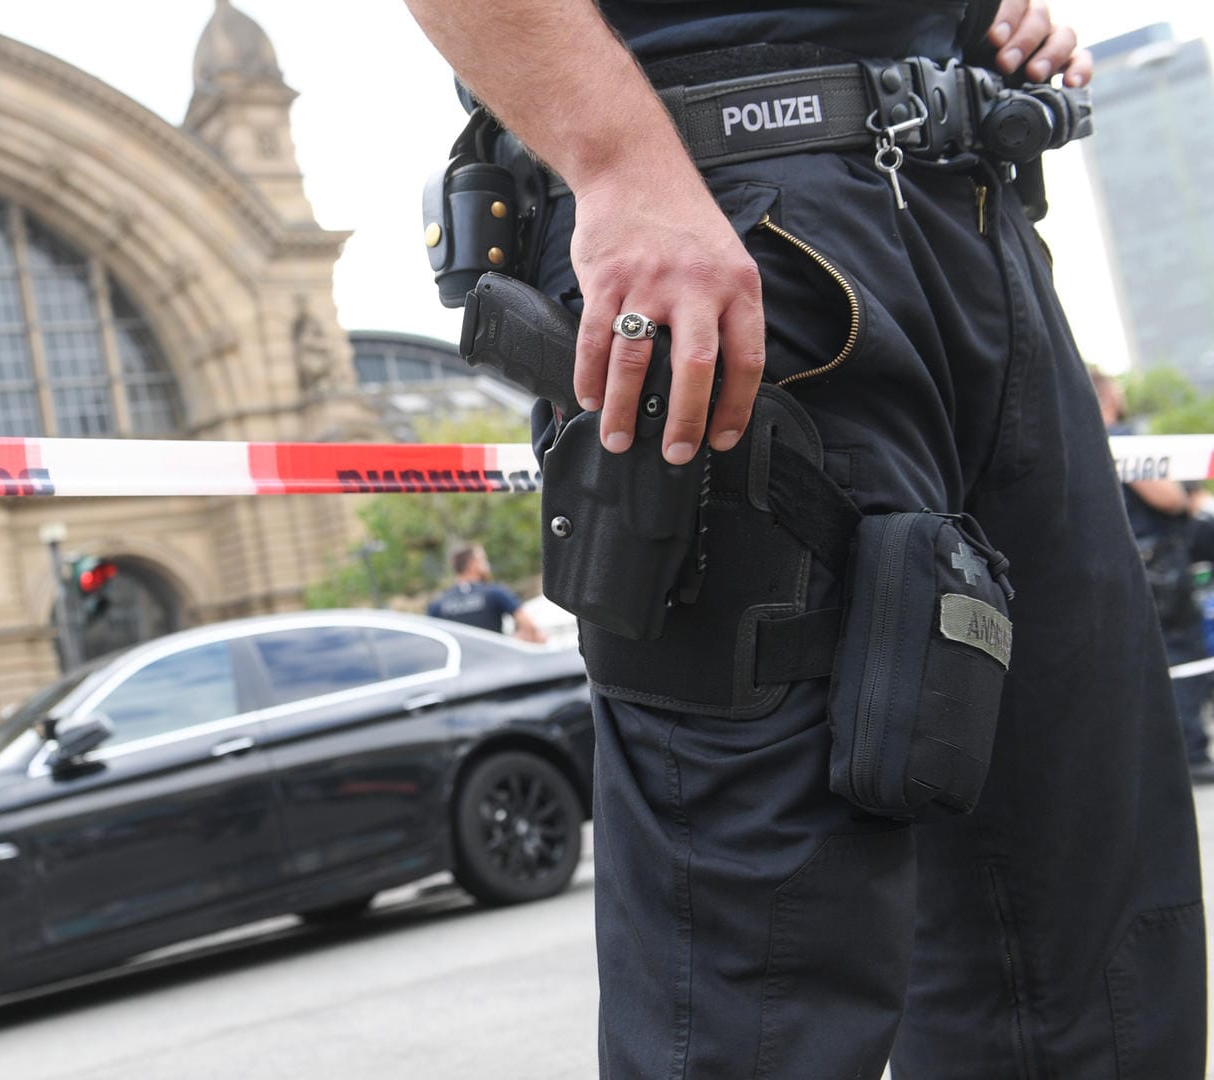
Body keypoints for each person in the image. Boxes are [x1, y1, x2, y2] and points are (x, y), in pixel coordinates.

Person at [404, 2, 1206, 1077]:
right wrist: (616, 161)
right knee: (757, 982)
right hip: (726, 220)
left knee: (1088, 932)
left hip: (966, 201)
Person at [1094, 368, 1214, 784]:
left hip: (1123, 569)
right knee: (1181, 658)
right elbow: (1165, 496)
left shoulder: (1081, 443)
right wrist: (1184, 497)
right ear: (1107, 394)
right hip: (1158, 568)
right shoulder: (1122, 443)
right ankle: (1190, 753)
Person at [427, 543, 547, 642]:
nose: (487, 565)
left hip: (463, 668)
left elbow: (430, 640)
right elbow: (529, 626)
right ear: (472, 564)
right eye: (483, 560)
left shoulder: (439, 603)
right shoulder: (494, 593)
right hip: (494, 664)